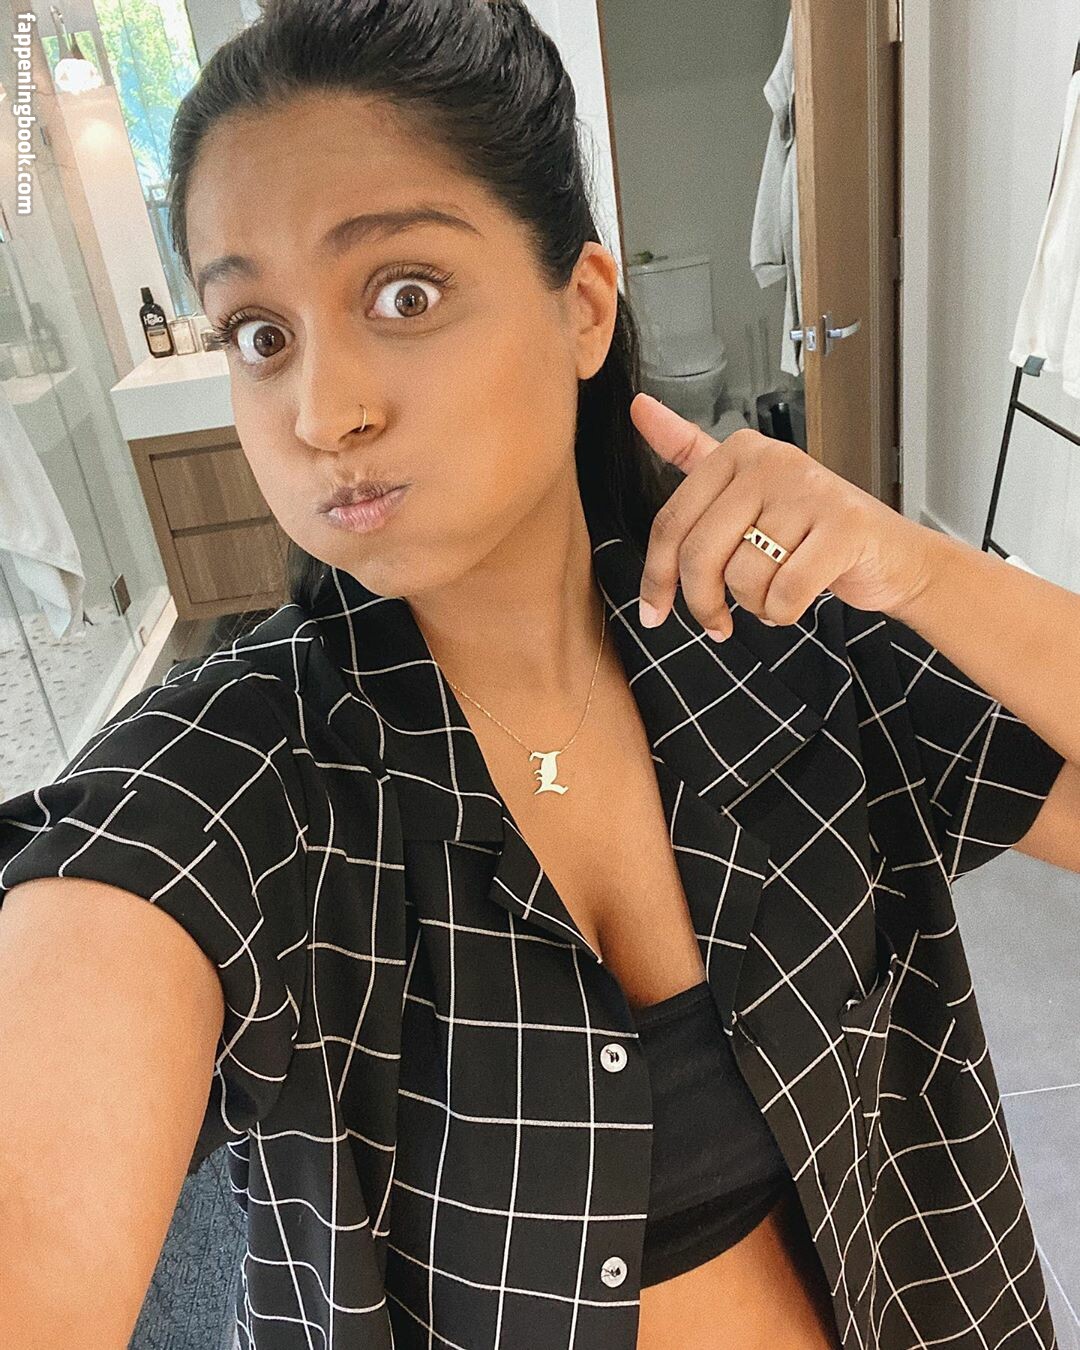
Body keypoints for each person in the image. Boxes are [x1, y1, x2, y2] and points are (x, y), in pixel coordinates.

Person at [1, 2, 1078, 1347]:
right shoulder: (239, 783)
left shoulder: (776, 643)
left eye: (403, 293)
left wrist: (916, 568)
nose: (323, 411)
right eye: (260, 333)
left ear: (582, 307)